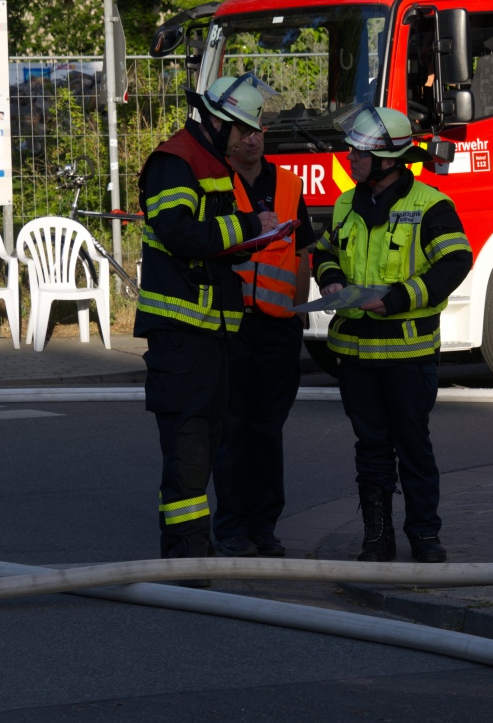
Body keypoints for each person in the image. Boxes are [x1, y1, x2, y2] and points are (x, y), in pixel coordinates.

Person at [134, 74, 277, 586]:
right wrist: (249, 228)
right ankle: (185, 555)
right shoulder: (175, 161)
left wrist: (251, 239)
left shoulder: (210, 162)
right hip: (180, 332)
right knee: (188, 448)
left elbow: (212, 241)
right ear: (218, 122)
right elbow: (180, 233)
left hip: (209, 331)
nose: (248, 139)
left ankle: (192, 549)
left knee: (206, 444)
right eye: (243, 129)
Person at [312, 104, 472, 563]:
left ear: (388, 160)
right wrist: (330, 280)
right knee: (371, 450)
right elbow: (324, 252)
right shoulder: (346, 203)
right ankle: (376, 538)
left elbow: (455, 262)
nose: (350, 158)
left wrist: (401, 298)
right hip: (355, 354)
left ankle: (424, 535)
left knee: (413, 446)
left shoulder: (431, 205)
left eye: (359, 152)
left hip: (407, 354)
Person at [211, 80, 317, 558]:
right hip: (230, 325)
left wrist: (297, 315)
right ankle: (232, 527)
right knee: (231, 430)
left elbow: (303, 254)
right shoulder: (215, 183)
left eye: (256, 130)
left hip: (277, 327)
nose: (250, 139)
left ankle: (264, 527)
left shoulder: (289, 185)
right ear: (226, 135)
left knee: (267, 431)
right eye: (241, 131)